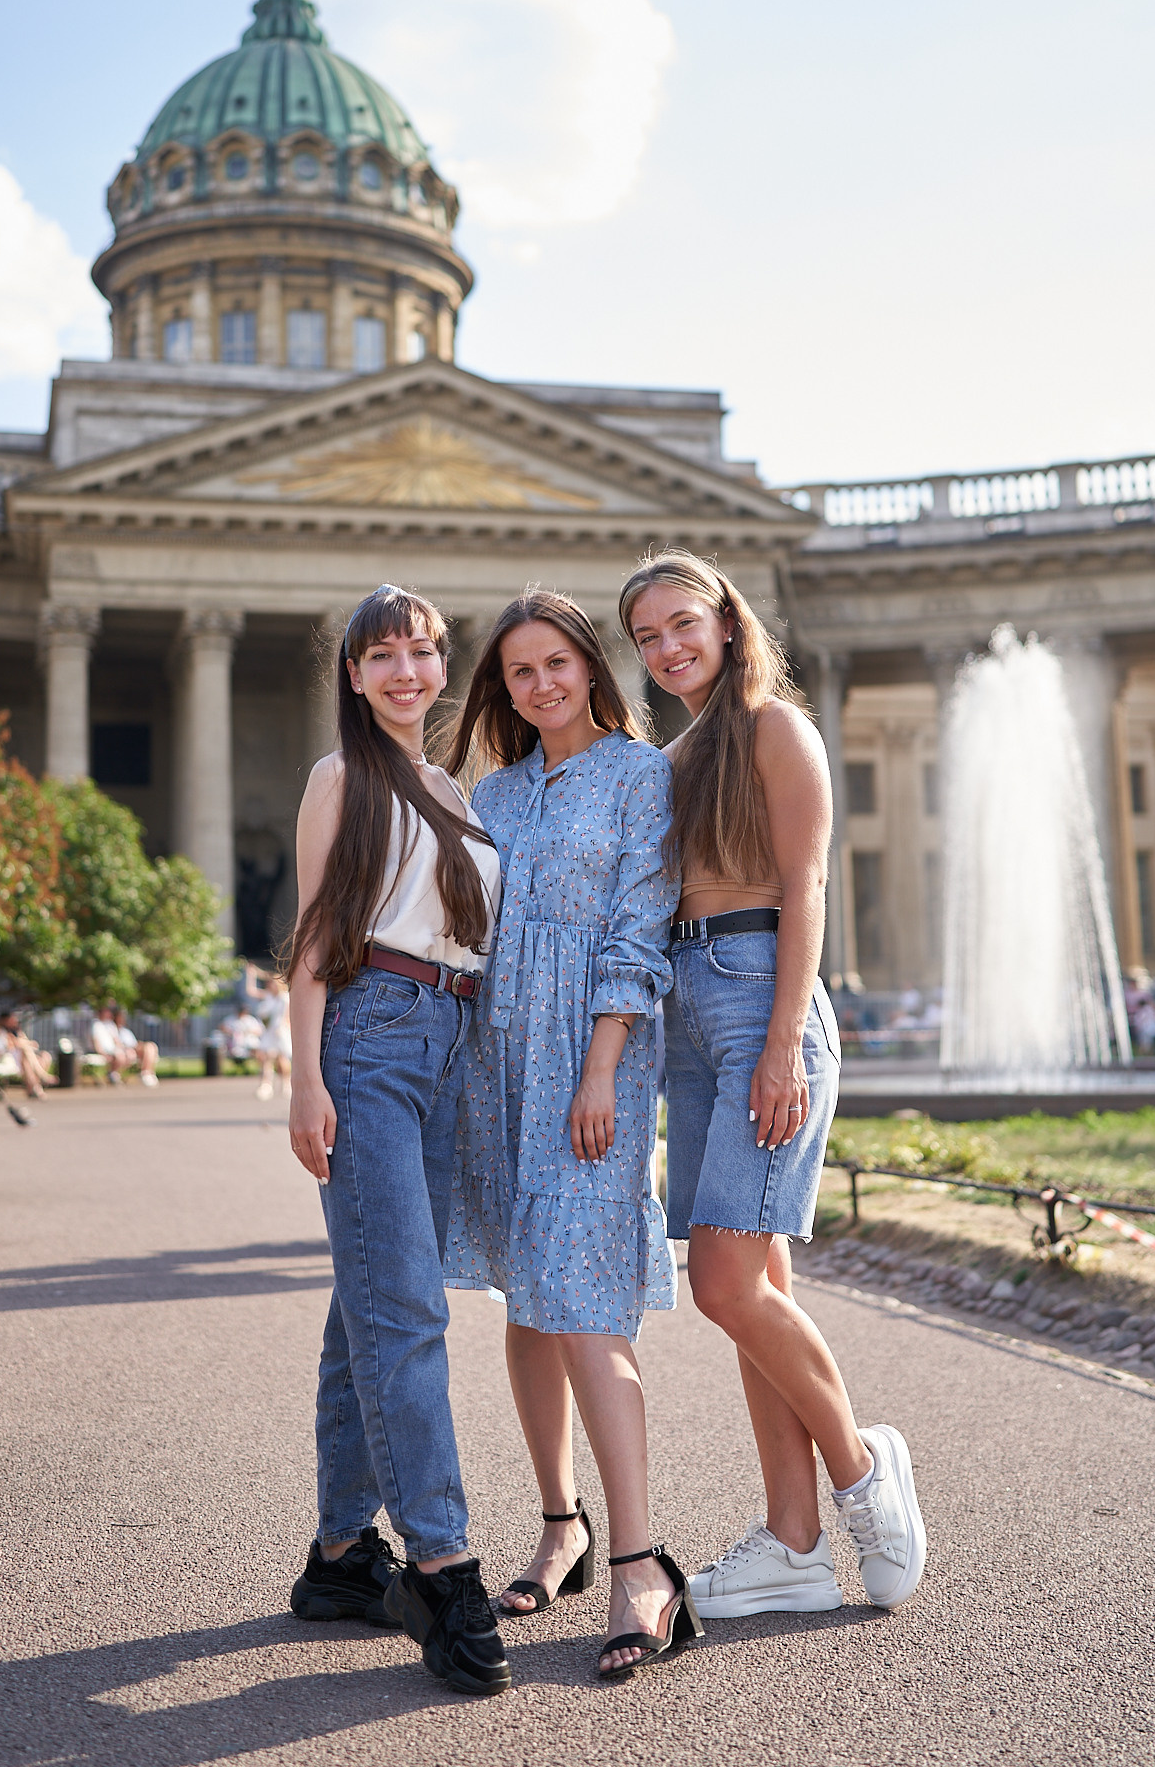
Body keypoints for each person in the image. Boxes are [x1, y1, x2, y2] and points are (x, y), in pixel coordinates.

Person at [620, 549, 927, 1619]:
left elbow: (804, 885)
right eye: (646, 636)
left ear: (725, 621)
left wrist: (783, 1040)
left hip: (760, 998)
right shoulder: (673, 757)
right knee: (756, 1287)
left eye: (680, 623)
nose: (666, 647)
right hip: (688, 1011)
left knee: (721, 1283)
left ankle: (860, 1469)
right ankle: (792, 1543)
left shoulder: (773, 728)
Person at [443, 589, 701, 1681]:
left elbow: (640, 930)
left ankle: (640, 1560)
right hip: (492, 1061)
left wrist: (600, 1069)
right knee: (524, 1292)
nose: (540, 683)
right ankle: (562, 1525)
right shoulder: (492, 793)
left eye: (556, 662)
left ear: (590, 667)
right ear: (503, 690)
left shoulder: (642, 775)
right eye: (519, 671)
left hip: (594, 1057)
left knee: (585, 1299)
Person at [285, 584, 511, 1699]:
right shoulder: (341, 777)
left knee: (365, 1301)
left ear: (440, 665)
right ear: (354, 675)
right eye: (381, 655)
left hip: (446, 1043)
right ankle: (440, 1564)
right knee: (408, 1308)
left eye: (419, 651)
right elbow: (316, 934)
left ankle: (339, 1554)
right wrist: (303, 1079)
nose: (404, 671)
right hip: (369, 1036)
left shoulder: (452, 789)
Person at [90, 1005, 159, 1088]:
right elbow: (96, 1042)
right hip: (110, 1051)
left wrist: (123, 1049)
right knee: (122, 1055)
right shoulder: (96, 1025)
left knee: (150, 1047)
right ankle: (114, 1073)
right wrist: (103, 1053)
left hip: (118, 1049)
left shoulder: (110, 1025)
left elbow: (116, 1040)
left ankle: (147, 1072)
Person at [252, 972, 292, 1101]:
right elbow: (251, 991)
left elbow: (286, 1016)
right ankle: (266, 1084)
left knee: (282, 1058)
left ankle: (287, 1083)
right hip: (269, 1031)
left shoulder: (285, 998)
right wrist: (251, 974)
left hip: (280, 1031)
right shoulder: (268, 997)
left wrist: (283, 1028)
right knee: (267, 1057)